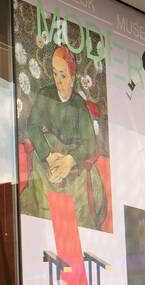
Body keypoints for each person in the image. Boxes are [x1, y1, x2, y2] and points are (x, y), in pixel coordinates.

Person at [20, 44, 109, 230]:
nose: (58, 80)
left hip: (73, 160)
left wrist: (69, 160)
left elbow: (89, 143)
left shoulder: (79, 106)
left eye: (63, 75)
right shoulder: (45, 95)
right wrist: (49, 156)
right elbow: (33, 126)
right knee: (44, 182)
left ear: (73, 77)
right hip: (49, 154)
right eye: (54, 73)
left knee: (77, 191)